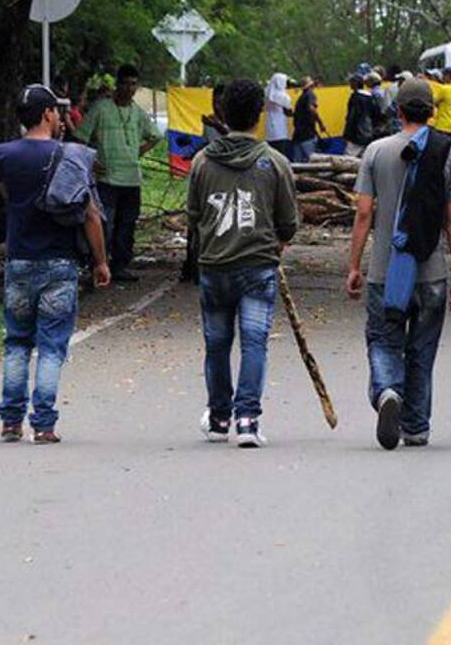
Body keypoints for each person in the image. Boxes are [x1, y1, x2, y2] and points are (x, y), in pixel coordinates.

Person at [345, 77, 451, 450]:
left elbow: (364, 213)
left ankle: (386, 391)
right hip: (431, 272)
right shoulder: (447, 154)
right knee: (422, 348)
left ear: (397, 111)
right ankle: (415, 426)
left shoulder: (375, 152)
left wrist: (354, 265)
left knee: (384, 340)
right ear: (432, 112)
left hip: (385, 270)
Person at [0, 84, 111, 444]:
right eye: (57, 112)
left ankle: (11, 421)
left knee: (16, 342)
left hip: (19, 262)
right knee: (52, 345)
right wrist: (101, 262)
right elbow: (90, 214)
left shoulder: (4, 154)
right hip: (59, 264)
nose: (61, 118)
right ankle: (43, 423)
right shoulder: (71, 156)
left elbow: (7, 196)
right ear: (47, 114)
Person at [186, 78, 299, 447]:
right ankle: (247, 419)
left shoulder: (202, 162)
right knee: (255, 343)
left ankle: (219, 417)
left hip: (215, 266)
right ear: (261, 114)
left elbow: (194, 214)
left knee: (216, 344)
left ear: (221, 113)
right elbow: (288, 222)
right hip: (257, 266)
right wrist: (277, 240)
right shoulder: (275, 162)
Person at [71, 63, 160, 283]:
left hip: (131, 178)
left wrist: (138, 152)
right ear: (117, 85)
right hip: (106, 178)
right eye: (126, 83)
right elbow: (80, 138)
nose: (130, 89)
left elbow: (155, 136)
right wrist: (91, 161)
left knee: (127, 225)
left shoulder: (138, 113)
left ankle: (120, 266)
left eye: (134, 84)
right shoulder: (101, 108)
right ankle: (99, 264)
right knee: (104, 224)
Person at [291, 76, 328, 163]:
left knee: (298, 162)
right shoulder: (310, 94)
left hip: (298, 134)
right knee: (312, 161)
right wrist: (321, 123)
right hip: (307, 133)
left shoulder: (301, 98)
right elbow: (311, 108)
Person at [343, 72, 380, 156]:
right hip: (370, 134)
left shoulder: (355, 98)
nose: (350, 85)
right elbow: (377, 115)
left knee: (349, 158)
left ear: (355, 84)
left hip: (356, 136)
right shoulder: (370, 97)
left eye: (351, 82)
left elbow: (352, 117)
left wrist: (347, 134)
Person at [262, 73, 295, 160]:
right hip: (280, 129)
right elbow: (289, 111)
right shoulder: (283, 96)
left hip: (269, 128)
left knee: (272, 155)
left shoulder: (267, 93)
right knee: (281, 155)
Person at [432, 66, 451, 143]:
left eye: (444, 75)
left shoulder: (444, 89)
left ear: (448, 76)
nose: (443, 77)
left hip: (442, 125)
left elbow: (434, 101)